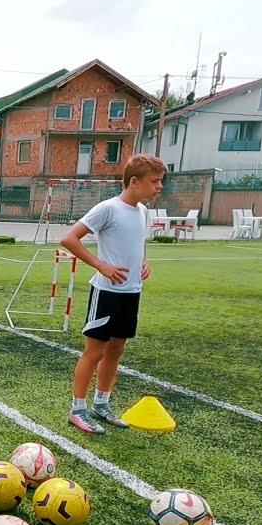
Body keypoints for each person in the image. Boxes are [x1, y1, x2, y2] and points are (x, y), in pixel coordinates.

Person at [58, 154, 165, 434]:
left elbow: (136, 242)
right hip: (106, 293)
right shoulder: (108, 208)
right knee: (94, 352)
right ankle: (77, 410)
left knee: (116, 351)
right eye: (154, 181)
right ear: (134, 181)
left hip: (131, 292)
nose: (159, 187)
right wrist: (101, 265)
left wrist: (143, 262)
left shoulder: (142, 211)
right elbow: (69, 239)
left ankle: (101, 405)